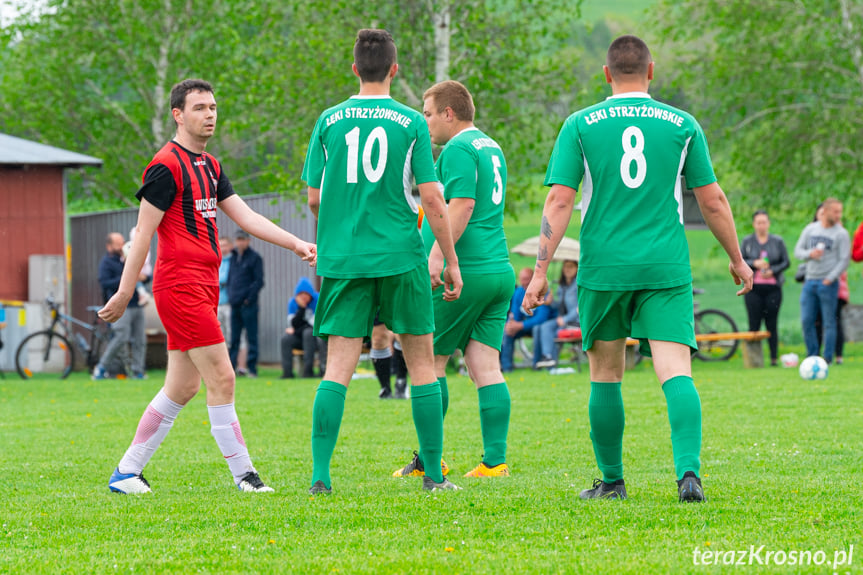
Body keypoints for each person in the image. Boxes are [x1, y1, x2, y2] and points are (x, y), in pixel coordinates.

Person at [523, 35, 752, 503]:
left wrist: (541, 270)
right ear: (651, 71)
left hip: (605, 266)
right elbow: (711, 200)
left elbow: (560, 199)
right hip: (664, 264)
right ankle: (689, 474)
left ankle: (612, 481)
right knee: (676, 370)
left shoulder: (580, 124)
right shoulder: (682, 123)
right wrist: (736, 257)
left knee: (605, 374)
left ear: (607, 74)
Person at [100, 78, 316, 495]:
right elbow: (143, 234)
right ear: (178, 115)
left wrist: (295, 243)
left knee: (183, 386)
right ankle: (245, 476)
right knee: (223, 375)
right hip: (178, 285)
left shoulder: (211, 166)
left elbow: (247, 218)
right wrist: (125, 293)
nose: (210, 114)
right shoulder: (165, 165)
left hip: (203, 285)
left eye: (213, 107)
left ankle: (127, 472)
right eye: (200, 107)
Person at [302, 29, 463, 494]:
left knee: (338, 368)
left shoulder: (329, 121)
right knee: (421, 364)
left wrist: (338, 224)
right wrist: (450, 260)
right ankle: (433, 476)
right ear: (395, 69)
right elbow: (433, 199)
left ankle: (320, 478)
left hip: (344, 259)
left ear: (355, 68)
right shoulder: (412, 121)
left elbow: (314, 198)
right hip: (401, 257)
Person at [392, 80, 514, 479]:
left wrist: (437, 256)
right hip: (497, 270)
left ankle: (431, 459)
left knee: (431, 363)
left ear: (448, 113)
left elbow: (461, 205)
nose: (424, 122)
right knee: (486, 365)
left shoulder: (458, 148)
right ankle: (494, 462)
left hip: (464, 269)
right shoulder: (490, 146)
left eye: (427, 114)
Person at [793, 197, 850, 363]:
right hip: (810, 281)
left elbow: (844, 259)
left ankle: (827, 358)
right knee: (807, 320)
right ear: (825, 211)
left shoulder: (841, 233)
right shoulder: (811, 229)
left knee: (829, 322)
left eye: (840, 211)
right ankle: (812, 356)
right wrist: (809, 254)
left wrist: (831, 278)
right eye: (836, 211)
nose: (839, 215)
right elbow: (798, 251)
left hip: (828, 283)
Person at [92, 232, 149, 380]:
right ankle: (101, 367)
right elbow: (105, 283)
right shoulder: (107, 262)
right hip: (121, 307)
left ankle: (138, 371)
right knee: (120, 338)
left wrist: (145, 277)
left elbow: (146, 277)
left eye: (122, 242)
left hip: (137, 304)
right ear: (109, 246)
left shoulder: (129, 259)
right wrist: (126, 278)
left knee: (140, 340)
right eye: (118, 243)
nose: (121, 245)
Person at [740, 210, 790, 366]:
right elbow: (739, 261)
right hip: (753, 287)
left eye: (764, 222)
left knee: (772, 323)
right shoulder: (747, 242)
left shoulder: (777, 241)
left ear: (768, 223)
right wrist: (754, 263)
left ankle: (774, 358)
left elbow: (786, 262)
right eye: (758, 222)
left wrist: (772, 271)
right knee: (753, 323)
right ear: (754, 224)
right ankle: (754, 360)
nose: (761, 225)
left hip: (773, 288)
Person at [227, 229, 263, 378]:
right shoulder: (233, 258)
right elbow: (231, 279)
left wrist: (248, 298)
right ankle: (232, 369)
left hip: (248, 305)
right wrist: (231, 295)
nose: (240, 242)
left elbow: (258, 281)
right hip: (234, 304)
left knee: (252, 337)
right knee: (234, 338)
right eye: (238, 239)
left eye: (243, 239)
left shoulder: (255, 258)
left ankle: (252, 369)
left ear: (248, 241)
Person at [500, 267, 551, 372]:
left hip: (542, 326)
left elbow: (542, 318)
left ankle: (536, 365)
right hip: (525, 325)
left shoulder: (542, 291)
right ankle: (507, 368)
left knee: (537, 328)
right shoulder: (518, 292)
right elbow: (515, 314)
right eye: (522, 279)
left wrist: (520, 325)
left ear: (533, 278)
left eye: (527, 279)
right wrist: (511, 325)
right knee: (508, 332)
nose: (525, 282)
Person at [535, 259, 580, 368]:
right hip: (563, 320)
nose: (567, 269)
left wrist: (565, 319)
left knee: (555, 332)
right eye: (565, 266)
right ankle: (547, 357)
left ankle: (551, 365)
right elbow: (559, 306)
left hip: (575, 322)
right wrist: (550, 302)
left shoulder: (579, 285)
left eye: (570, 267)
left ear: (577, 269)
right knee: (543, 327)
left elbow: (580, 308)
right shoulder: (561, 287)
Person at [280, 277, 327, 378]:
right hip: (300, 337)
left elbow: (315, 324)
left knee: (308, 333)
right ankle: (287, 374)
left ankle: (308, 371)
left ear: (311, 294)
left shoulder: (317, 300)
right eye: (301, 294)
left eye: (306, 294)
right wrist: (301, 308)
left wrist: (297, 328)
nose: (303, 297)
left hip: (316, 338)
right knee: (286, 339)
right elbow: (293, 323)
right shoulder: (293, 303)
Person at [218, 235, 233, 343]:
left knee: (232, 333)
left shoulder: (234, 261)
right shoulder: (216, 260)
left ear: (230, 246)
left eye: (225, 245)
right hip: (217, 303)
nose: (223, 248)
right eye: (220, 245)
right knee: (219, 335)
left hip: (230, 303)